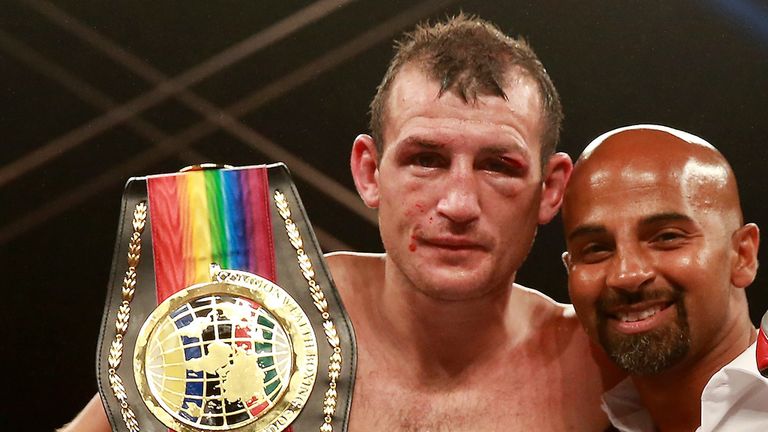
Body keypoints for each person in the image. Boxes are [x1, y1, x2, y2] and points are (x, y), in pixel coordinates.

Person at [62, 15, 621, 431]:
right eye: (425, 159)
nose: (458, 203)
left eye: (498, 166)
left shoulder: (603, 366)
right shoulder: (252, 315)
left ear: (550, 190)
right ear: (370, 171)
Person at [561, 124, 768, 431]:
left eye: (667, 237)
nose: (626, 275)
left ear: (742, 255)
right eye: (596, 249)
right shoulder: (600, 418)